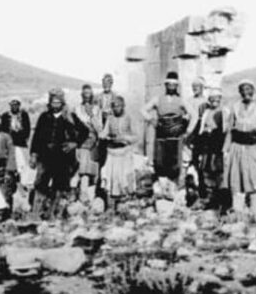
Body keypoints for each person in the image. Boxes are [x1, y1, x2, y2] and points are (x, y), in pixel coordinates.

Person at [223, 80, 256, 216]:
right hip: (237, 147)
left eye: (248, 89)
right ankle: (237, 210)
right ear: (240, 92)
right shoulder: (235, 106)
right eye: (243, 90)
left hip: (255, 147)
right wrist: (225, 150)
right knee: (236, 176)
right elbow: (229, 130)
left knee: (255, 177)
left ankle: (254, 210)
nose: (246, 92)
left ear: (253, 91)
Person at [142, 71, 192, 202]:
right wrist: (152, 120)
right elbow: (143, 110)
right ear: (165, 85)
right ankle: (162, 192)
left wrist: (187, 130)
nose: (171, 87)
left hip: (176, 137)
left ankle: (174, 193)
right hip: (161, 136)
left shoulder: (181, 100)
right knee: (161, 163)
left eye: (174, 85)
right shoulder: (158, 99)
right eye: (169, 84)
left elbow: (193, 115)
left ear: (177, 86)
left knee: (175, 164)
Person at [30, 88, 79, 220]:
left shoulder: (69, 117)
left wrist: (74, 144)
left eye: (58, 103)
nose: (55, 105)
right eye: (53, 102)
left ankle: (55, 215)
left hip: (62, 158)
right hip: (45, 157)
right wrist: (34, 154)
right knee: (40, 185)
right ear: (49, 103)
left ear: (62, 103)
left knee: (60, 186)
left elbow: (84, 132)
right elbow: (36, 137)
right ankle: (36, 215)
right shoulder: (44, 117)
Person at [98, 95, 139, 212]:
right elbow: (104, 133)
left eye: (119, 106)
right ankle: (111, 207)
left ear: (123, 106)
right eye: (114, 106)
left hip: (125, 153)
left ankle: (125, 207)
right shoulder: (110, 119)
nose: (116, 109)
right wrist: (104, 136)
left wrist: (124, 138)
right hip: (112, 153)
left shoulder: (129, 118)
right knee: (112, 179)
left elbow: (136, 137)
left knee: (124, 180)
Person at [188, 88, 228, 210]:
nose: (214, 101)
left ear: (220, 99)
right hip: (207, 145)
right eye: (212, 99)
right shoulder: (206, 112)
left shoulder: (224, 111)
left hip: (219, 145)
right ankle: (210, 198)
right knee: (207, 171)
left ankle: (222, 200)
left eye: (217, 98)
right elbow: (201, 129)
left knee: (219, 172)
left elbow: (226, 130)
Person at [71, 84, 103, 203]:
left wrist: (91, 115)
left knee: (91, 171)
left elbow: (99, 128)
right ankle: (80, 196)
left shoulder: (96, 109)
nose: (87, 96)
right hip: (81, 141)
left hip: (93, 141)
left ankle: (89, 197)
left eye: (89, 94)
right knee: (81, 169)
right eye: (85, 94)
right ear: (82, 95)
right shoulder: (77, 109)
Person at [1, 97, 33, 207]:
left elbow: (27, 131)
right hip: (9, 147)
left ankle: (24, 196)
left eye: (16, 104)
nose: (14, 106)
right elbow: (3, 132)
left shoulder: (24, 115)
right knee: (10, 171)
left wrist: (19, 136)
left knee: (23, 169)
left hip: (21, 145)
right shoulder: (5, 116)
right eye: (12, 104)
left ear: (19, 105)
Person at [97, 73, 119, 168]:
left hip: (112, 126)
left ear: (111, 83)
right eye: (104, 83)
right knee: (101, 150)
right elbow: (95, 111)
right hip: (101, 125)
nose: (106, 85)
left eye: (108, 82)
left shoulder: (116, 96)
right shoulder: (98, 97)